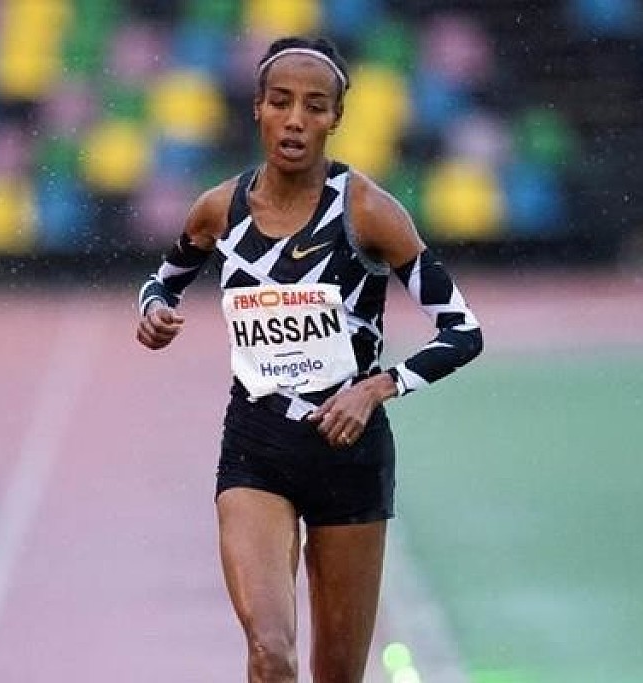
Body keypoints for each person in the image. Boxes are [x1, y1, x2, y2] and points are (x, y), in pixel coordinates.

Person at [135, 35, 483, 683]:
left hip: (349, 457)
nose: (295, 119)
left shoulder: (368, 211)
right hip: (257, 448)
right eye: (280, 102)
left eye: (314, 107)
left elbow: (463, 330)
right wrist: (154, 312)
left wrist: (375, 387)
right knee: (270, 652)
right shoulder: (219, 210)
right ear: (258, 109)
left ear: (335, 118)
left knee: (337, 675)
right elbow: (163, 281)